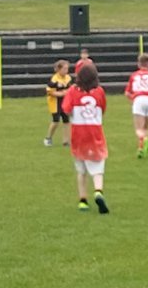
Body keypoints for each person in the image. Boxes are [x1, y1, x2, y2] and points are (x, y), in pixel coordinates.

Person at [61, 61, 109, 213]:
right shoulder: (100, 91)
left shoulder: (72, 91)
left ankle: (83, 200)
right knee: (97, 168)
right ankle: (98, 191)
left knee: (81, 170)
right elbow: (103, 108)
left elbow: (66, 110)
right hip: (95, 132)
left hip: (78, 134)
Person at [125, 52, 148, 158]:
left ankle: (145, 140)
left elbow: (127, 93)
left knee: (138, 128)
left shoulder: (134, 76)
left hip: (139, 99)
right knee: (145, 127)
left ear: (138, 64)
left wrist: (134, 99)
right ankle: (141, 149)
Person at [44, 59, 72, 146]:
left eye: (67, 69)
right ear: (59, 70)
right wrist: (60, 94)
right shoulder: (54, 79)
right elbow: (49, 91)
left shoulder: (68, 78)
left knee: (66, 120)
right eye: (64, 69)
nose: (66, 71)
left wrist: (67, 92)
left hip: (65, 102)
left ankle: (66, 140)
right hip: (55, 102)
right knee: (56, 120)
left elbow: (70, 88)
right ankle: (48, 138)